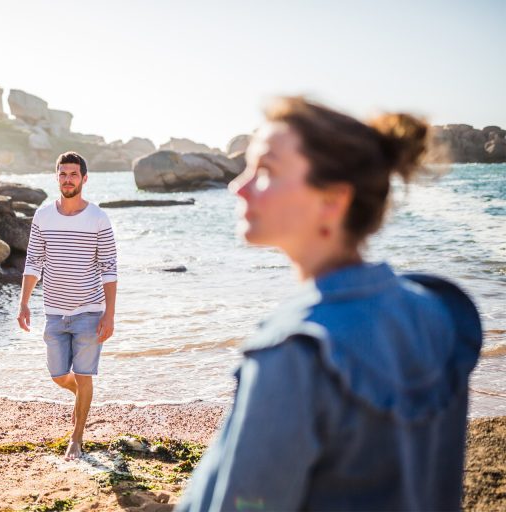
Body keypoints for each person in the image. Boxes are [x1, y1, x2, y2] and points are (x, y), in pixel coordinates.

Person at [177, 97, 482, 511]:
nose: (238, 185)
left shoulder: (295, 351)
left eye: (265, 170)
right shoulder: (439, 313)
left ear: (333, 201)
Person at [17, 151, 118, 461]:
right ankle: (80, 399)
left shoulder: (98, 218)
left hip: (89, 311)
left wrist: (110, 315)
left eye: (73, 174)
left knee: (84, 375)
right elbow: (33, 260)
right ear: (56, 177)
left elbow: (110, 267)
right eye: (63, 174)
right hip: (54, 311)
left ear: (84, 179)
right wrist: (23, 303)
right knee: (59, 375)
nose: (68, 179)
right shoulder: (43, 216)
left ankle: (76, 438)